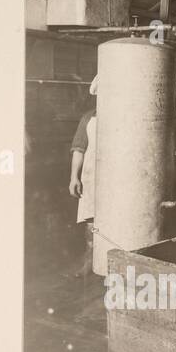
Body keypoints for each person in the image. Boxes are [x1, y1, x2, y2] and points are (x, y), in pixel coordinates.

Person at [67, 76, 98, 276]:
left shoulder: (125, 116)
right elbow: (79, 149)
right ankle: (90, 262)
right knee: (91, 218)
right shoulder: (88, 117)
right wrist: (74, 178)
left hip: (118, 177)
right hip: (91, 176)